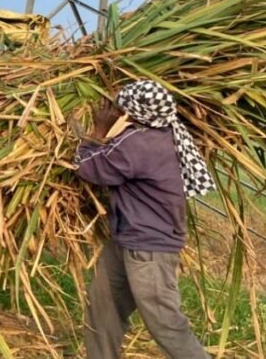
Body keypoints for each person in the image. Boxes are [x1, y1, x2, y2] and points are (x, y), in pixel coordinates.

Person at [73, 80, 215, 359]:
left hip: (149, 247)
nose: (115, 111)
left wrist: (98, 130)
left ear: (133, 111)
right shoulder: (158, 134)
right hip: (127, 240)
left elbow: (87, 167)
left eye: (119, 107)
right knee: (104, 309)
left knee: (165, 323)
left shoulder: (139, 143)